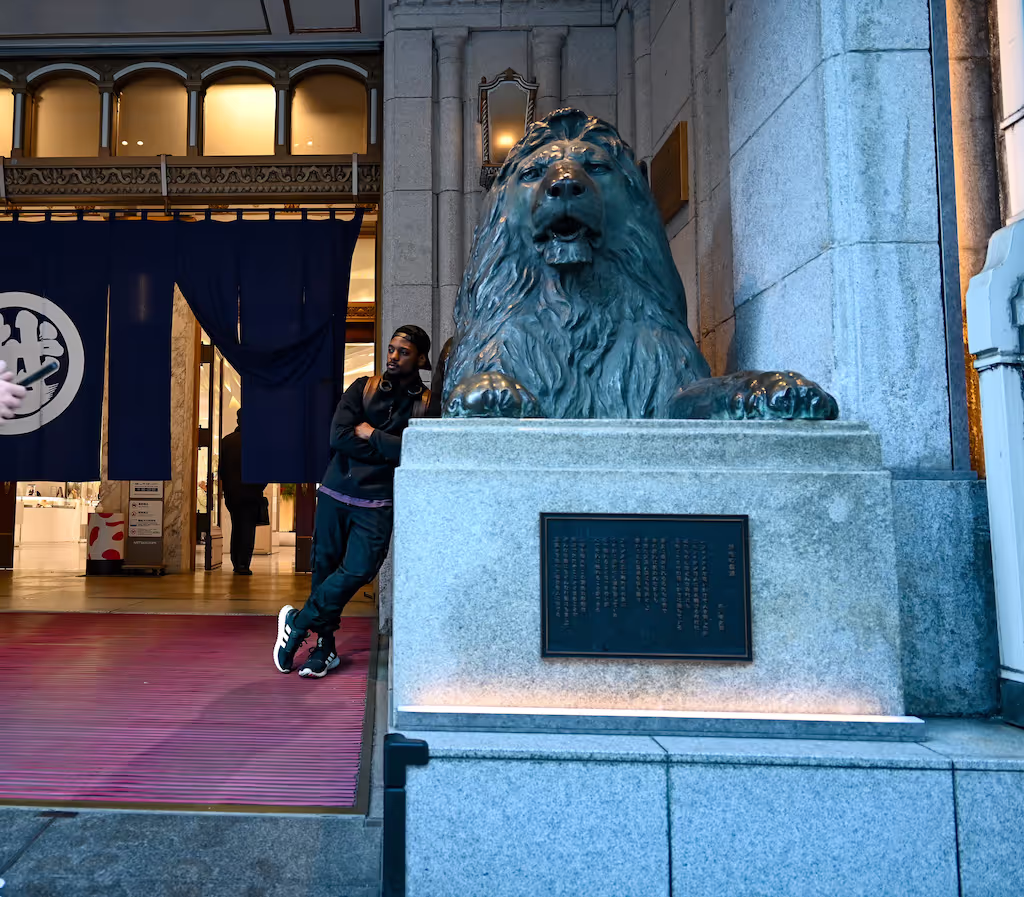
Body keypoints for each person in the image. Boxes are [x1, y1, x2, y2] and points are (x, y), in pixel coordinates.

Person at [274, 325, 432, 679]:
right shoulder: (363, 387)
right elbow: (339, 438)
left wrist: (372, 434)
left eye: (404, 352)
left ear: (421, 358)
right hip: (336, 493)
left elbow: (420, 450)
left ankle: (297, 623)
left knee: (360, 570)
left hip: (378, 502)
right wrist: (390, 448)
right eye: (391, 349)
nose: (393, 356)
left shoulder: (426, 403)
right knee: (325, 569)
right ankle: (324, 647)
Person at [219, 409, 268, 575]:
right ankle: (243, 564)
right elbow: (264, 471)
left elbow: (221, 470)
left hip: (232, 495)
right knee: (247, 529)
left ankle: (236, 562)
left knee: (237, 527)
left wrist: (227, 489)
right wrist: (258, 489)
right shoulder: (258, 442)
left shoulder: (226, 441)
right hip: (251, 493)